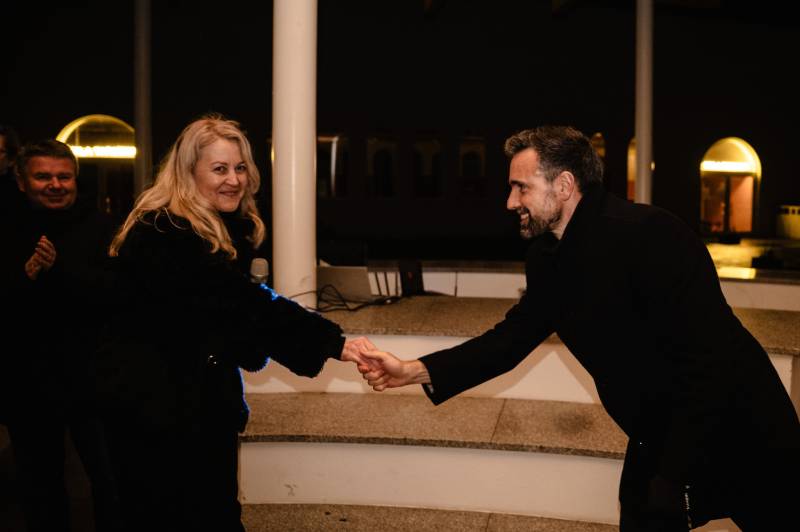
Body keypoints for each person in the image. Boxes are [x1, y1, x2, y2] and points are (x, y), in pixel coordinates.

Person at [357, 126, 800, 531]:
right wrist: (411, 370)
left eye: (521, 187)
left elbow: (708, 362)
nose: (510, 202)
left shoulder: (653, 235)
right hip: (658, 435)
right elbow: (509, 341)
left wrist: (672, 474)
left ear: (564, 185)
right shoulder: (547, 258)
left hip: (743, 429)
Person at [94, 114, 372, 532]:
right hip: (153, 414)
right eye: (220, 169)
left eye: (240, 167)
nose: (234, 180)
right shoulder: (163, 231)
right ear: (188, 173)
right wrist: (336, 344)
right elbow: (238, 303)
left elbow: (227, 317)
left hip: (195, 408)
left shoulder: (219, 229)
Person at [0, 139, 121, 531]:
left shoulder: (103, 228)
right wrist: (26, 277)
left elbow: (118, 295)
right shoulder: (6, 229)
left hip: (94, 381)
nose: (55, 185)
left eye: (63, 177)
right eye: (43, 177)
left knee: (111, 481)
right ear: (22, 182)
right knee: (40, 486)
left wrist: (60, 271)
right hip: (28, 384)